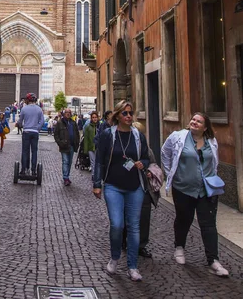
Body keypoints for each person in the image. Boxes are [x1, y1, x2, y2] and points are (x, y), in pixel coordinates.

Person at [161, 112, 228, 276]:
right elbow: (165, 152)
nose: (194, 122)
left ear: (205, 127)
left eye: (199, 121)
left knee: (209, 225)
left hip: (206, 190)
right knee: (184, 219)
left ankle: (213, 260)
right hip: (183, 188)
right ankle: (179, 247)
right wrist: (171, 173)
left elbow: (214, 162)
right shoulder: (178, 136)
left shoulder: (211, 141)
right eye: (193, 119)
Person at [93, 100, 149, 282]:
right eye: (125, 113)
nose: (129, 116)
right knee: (117, 225)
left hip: (135, 186)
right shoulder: (108, 135)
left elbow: (147, 157)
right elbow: (100, 160)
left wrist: (143, 163)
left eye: (130, 113)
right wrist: (97, 183)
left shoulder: (138, 136)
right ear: (117, 115)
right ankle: (115, 257)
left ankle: (133, 266)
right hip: (113, 186)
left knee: (134, 227)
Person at [122, 121, 162, 258]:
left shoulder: (147, 149)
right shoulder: (124, 147)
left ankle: (141, 245)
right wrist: (130, 166)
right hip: (127, 187)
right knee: (127, 215)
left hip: (144, 187)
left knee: (144, 216)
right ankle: (124, 240)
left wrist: (149, 171)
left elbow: (153, 163)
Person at [16, 93, 44, 176]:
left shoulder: (24, 109)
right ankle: (33, 170)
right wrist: (37, 128)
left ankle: (24, 169)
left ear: (28, 100)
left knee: (25, 151)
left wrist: (20, 125)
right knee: (34, 151)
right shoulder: (39, 109)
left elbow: (20, 121)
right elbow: (42, 122)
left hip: (26, 131)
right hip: (35, 132)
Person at [54, 108, 80, 186]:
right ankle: (65, 177)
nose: (68, 114)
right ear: (64, 114)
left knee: (70, 162)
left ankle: (67, 176)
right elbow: (56, 134)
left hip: (72, 145)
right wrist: (60, 143)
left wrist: (77, 143)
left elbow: (77, 134)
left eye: (69, 112)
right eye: (66, 112)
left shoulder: (73, 123)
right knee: (65, 161)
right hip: (64, 146)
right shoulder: (60, 123)